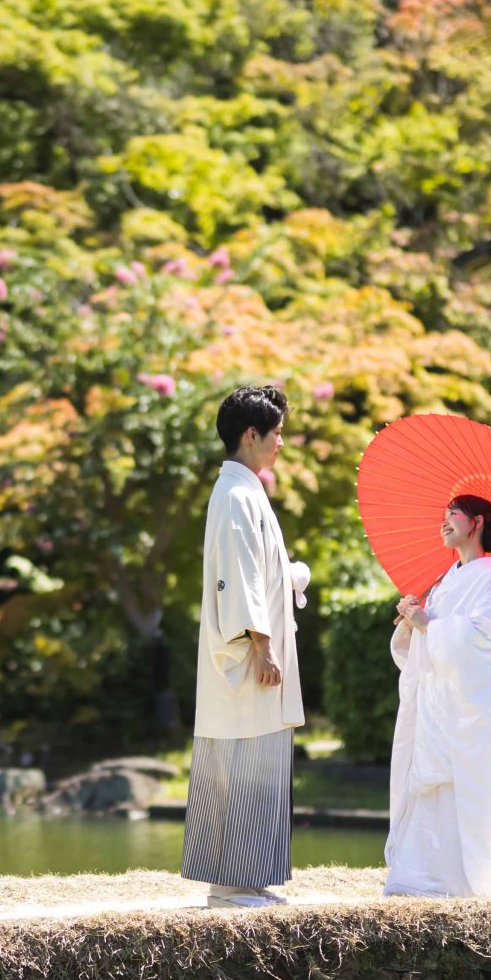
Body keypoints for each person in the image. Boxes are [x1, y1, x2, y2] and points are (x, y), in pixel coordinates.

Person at [384, 493, 491, 899]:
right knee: (432, 784)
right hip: (438, 704)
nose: (444, 520)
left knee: (464, 788)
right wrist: (412, 622)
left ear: (476, 523)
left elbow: (485, 641)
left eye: (453, 513)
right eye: (443, 514)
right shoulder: (446, 580)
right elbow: (429, 638)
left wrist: (429, 627)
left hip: (470, 710)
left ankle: (457, 878)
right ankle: (422, 873)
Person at [184, 385, 310, 909]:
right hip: (246, 652)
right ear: (251, 435)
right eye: (276, 433)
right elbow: (239, 578)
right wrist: (263, 644)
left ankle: (246, 880)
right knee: (241, 759)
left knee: (254, 759)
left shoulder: (245, 491)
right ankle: (232, 885)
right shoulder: (236, 494)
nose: (281, 443)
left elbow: (257, 571)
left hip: (253, 645)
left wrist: (290, 574)